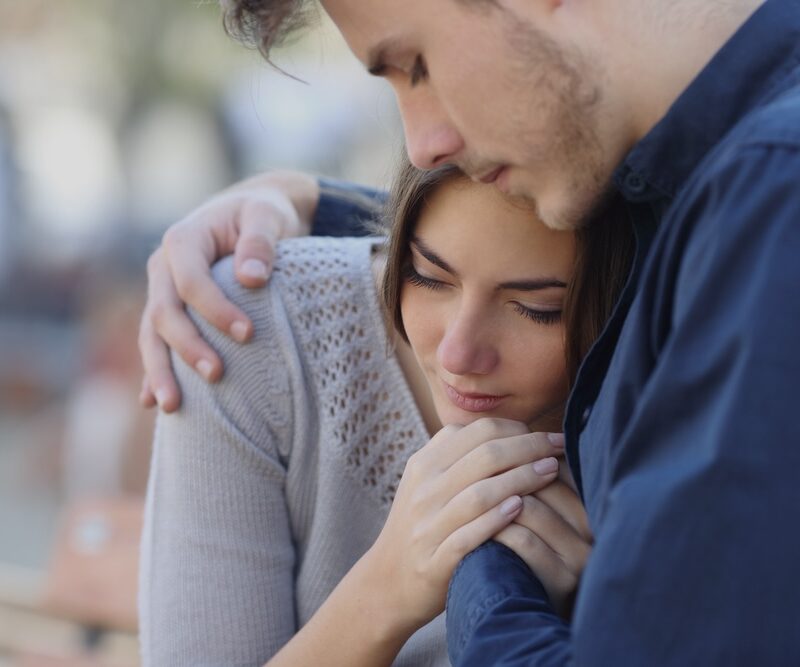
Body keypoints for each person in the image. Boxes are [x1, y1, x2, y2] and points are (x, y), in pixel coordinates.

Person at [139, 0, 800, 663]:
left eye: (416, 65)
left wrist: (481, 558)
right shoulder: (716, 193)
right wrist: (309, 202)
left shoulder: (767, 204)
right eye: (428, 273)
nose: (421, 143)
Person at [138, 159, 633, 665]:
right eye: (430, 276)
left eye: (537, 309)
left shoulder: (655, 428)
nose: (456, 355)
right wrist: (386, 591)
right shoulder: (254, 333)